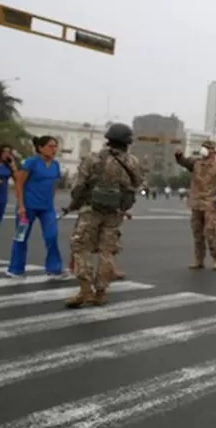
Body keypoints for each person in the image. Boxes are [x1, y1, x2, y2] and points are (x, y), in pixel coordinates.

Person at [65, 123, 143, 308]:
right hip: (115, 212)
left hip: (91, 210)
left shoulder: (94, 159)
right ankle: (100, 292)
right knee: (106, 252)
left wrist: (73, 205)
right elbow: (138, 184)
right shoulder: (133, 162)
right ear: (127, 142)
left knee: (80, 247)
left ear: (108, 139)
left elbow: (79, 186)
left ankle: (85, 289)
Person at [7, 136, 68, 279]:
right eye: (50, 146)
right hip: (27, 207)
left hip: (46, 208)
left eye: (55, 146)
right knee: (21, 238)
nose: (54, 149)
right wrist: (21, 206)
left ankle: (54, 269)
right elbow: (19, 184)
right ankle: (15, 269)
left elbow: (53, 185)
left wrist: (51, 201)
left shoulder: (55, 165)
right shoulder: (31, 163)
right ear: (40, 148)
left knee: (51, 236)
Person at [174, 140, 216, 270]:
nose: (203, 150)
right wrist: (178, 155)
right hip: (196, 201)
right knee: (197, 232)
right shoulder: (196, 163)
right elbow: (183, 161)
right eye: (203, 147)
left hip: (210, 202)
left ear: (212, 151)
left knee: (210, 230)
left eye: (206, 148)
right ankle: (199, 259)